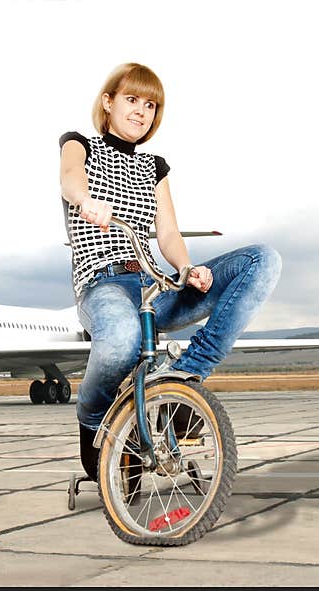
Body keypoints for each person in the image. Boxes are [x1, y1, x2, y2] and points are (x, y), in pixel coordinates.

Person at [59, 62, 281, 481]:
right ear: (108, 103)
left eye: (151, 105)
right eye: (131, 99)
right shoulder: (78, 144)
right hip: (102, 284)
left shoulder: (153, 167)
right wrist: (85, 200)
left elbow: (168, 233)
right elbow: (70, 179)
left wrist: (187, 266)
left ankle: (183, 378)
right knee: (122, 340)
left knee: (261, 260)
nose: (141, 111)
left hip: (153, 285)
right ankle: (92, 421)